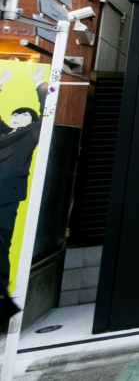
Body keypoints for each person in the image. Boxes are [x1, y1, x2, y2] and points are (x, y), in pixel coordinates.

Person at [0, 67, 46, 294]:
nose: (17, 117)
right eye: (15, 115)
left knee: (2, 241)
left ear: (31, 122)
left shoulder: (29, 135)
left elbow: (46, 113)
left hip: (7, 195)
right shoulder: (3, 133)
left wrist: (39, 83)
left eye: (24, 115)